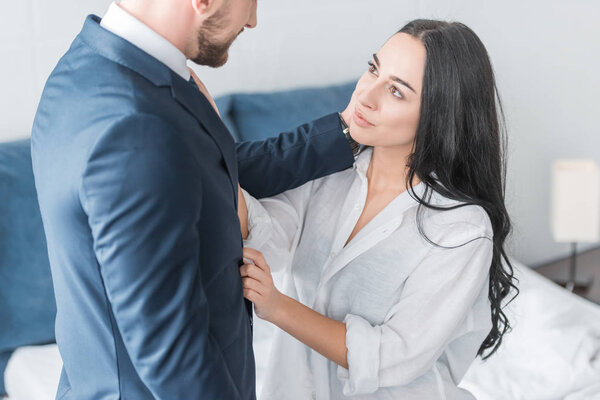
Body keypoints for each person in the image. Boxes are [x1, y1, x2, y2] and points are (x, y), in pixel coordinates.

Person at [30, 0, 357, 399]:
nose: (253, 20)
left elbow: (210, 169)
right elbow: (171, 352)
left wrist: (348, 132)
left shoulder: (90, 66)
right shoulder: (136, 124)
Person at [237, 19, 519, 399]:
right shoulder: (330, 172)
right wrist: (205, 144)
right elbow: (264, 234)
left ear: (439, 114)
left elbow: (393, 357)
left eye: (397, 92)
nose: (365, 97)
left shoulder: (462, 229)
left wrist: (278, 307)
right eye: (373, 69)